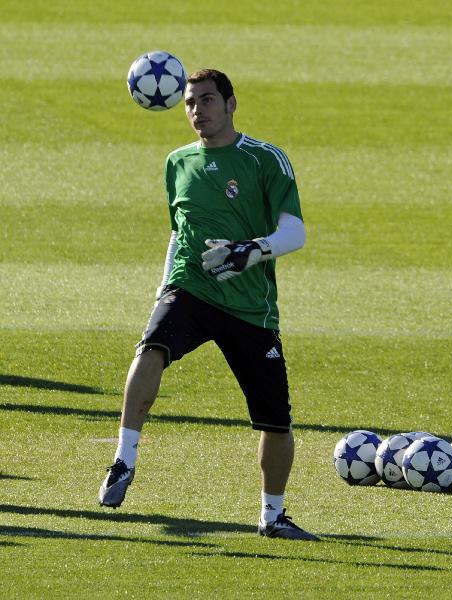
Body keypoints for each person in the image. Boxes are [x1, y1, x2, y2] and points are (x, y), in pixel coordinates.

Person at [98, 69, 318, 541]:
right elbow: (178, 235)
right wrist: (163, 291)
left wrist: (249, 251)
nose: (199, 110)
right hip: (191, 290)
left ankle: (272, 515)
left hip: (249, 308)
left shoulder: (265, 159)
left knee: (275, 418)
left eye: (209, 99)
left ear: (232, 104)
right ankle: (123, 459)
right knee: (150, 348)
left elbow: (295, 232)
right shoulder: (177, 162)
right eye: (191, 103)